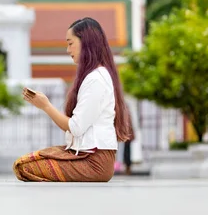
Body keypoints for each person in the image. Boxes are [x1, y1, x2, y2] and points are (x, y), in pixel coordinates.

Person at [13, 17, 133, 182]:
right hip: (84, 155)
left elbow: (75, 127)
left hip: (94, 163)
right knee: (28, 161)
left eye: (70, 43)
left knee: (23, 166)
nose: (68, 49)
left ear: (86, 43)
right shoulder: (95, 76)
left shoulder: (96, 79)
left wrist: (46, 106)